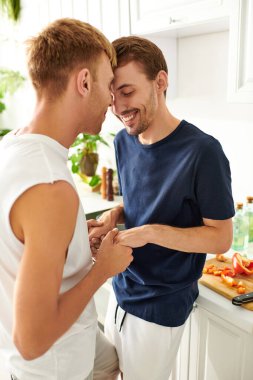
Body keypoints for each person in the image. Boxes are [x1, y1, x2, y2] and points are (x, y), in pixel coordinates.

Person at [89, 36, 235, 380]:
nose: (118, 107)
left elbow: (221, 238)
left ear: (161, 82)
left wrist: (149, 234)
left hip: (161, 304)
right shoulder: (124, 140)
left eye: (127, 92)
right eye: (112, 97)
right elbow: (145, 199)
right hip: (121, 286)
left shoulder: (203, 152)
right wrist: (116, 215)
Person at [0, 19, 133, 380]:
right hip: (51, 369)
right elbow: (32, 340)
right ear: (84, 82)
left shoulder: (13, 146)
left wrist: (73, 241)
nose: (112, 99)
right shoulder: (50, 186)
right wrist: (102, 268)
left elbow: (20, 245)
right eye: (108, 85)